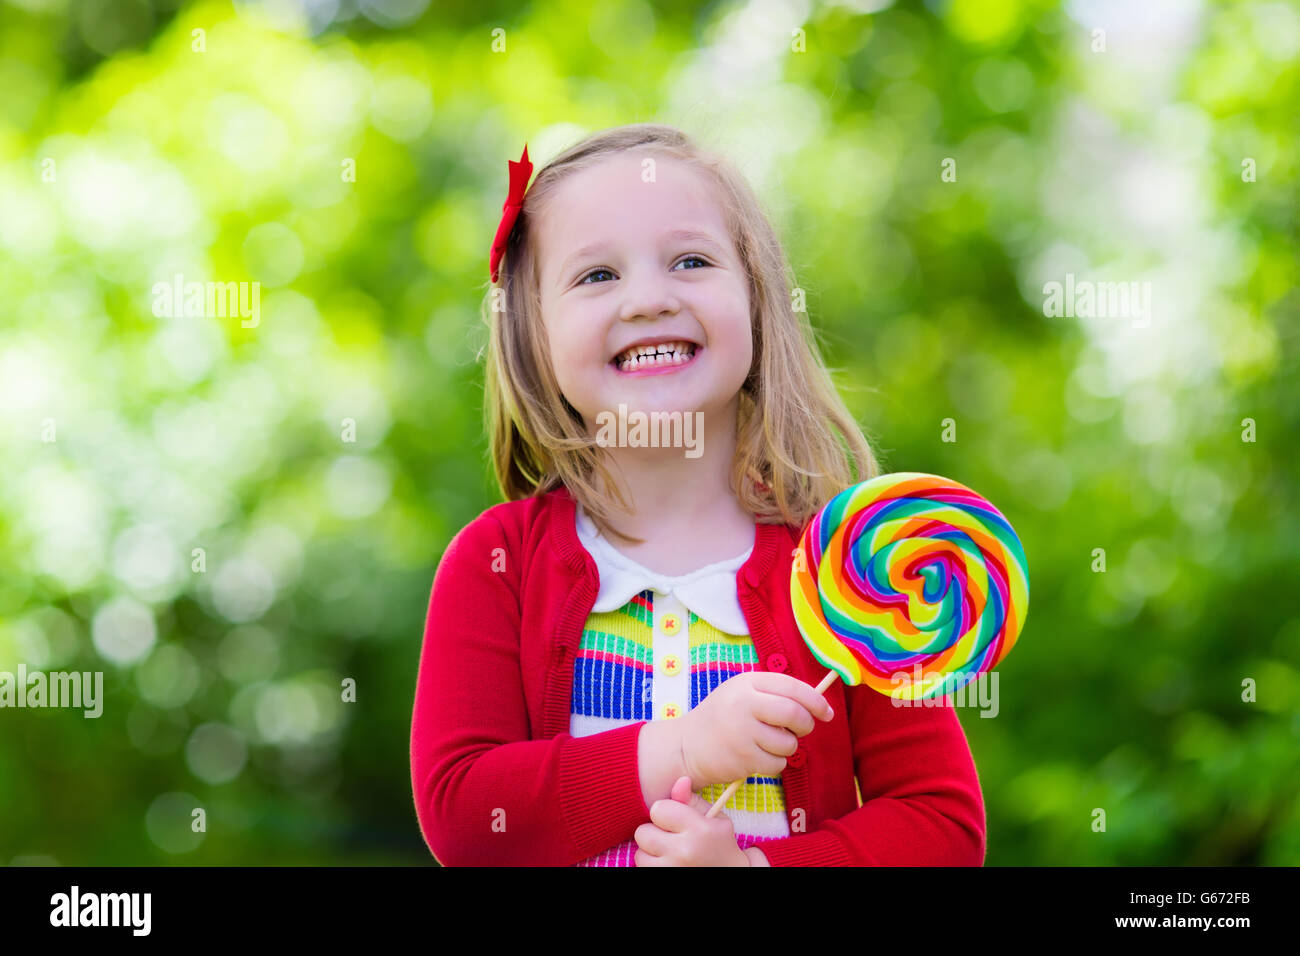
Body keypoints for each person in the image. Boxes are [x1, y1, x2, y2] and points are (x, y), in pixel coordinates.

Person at [410, 123, 985, 866]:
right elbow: (465, 812)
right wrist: (683, 748)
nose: (649, 299)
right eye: (597, 276)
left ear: (757, 300)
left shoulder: (851, 569)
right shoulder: (498, 562)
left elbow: (941, 827)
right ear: (532, 335)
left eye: (691, 260)